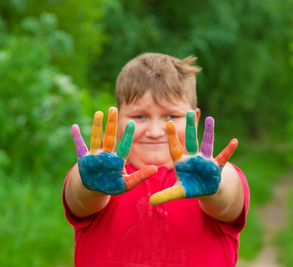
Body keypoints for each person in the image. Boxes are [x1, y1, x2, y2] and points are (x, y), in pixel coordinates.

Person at [62, 53, 250, 267]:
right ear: (118, 118)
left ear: (194, 119)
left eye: (171, 116)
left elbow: (229, 200)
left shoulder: (213, 178)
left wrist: (215, 185)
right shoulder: (101, 176)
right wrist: (90, 185)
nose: (154, 131)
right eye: (139, 117)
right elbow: (79, 198)